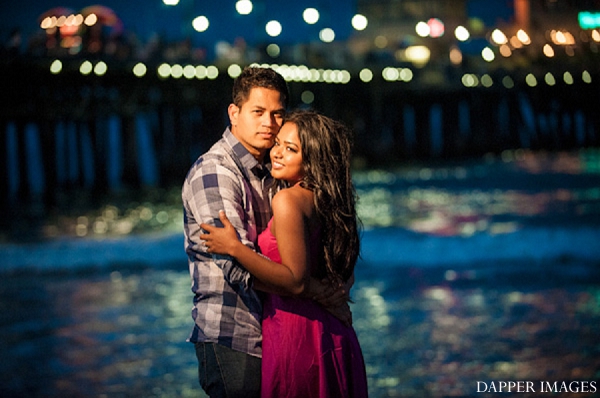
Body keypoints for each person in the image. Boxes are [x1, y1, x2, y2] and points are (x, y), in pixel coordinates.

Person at [182, 67, 350, 398]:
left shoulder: (276, 173)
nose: (269, 124)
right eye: (258, 112)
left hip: (278, 331)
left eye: (277, 114)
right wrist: (318, 291)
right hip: (234, 333)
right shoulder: (215, 172)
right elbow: (233, 267)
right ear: (234, 112)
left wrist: (337, 286)